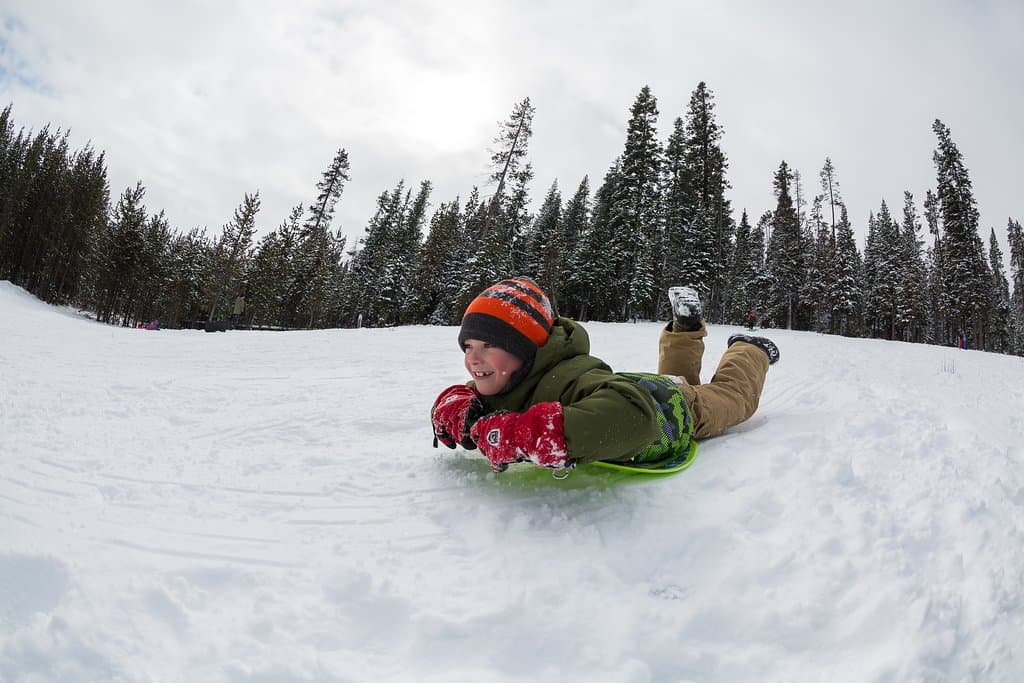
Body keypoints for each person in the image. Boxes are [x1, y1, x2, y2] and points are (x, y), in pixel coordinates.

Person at [430, 277, 779, 475]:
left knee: (730, 398)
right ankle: (684, 331)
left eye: (488, 345)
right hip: (638, 386)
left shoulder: (569, 376)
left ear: (525, 349)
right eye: (467, 347)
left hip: (671, 411)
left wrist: (528, 435)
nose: (472, 360)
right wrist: (455, 405)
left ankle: (749, 349)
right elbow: (472, 392)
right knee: (679, 378)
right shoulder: (511, 374)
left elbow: (634, 419)